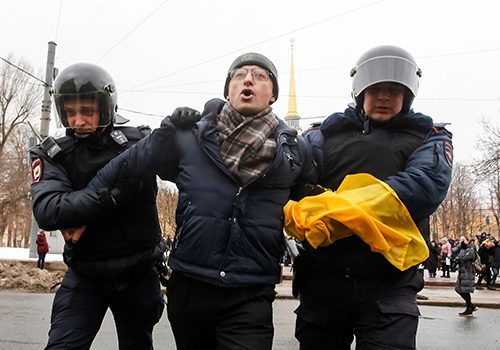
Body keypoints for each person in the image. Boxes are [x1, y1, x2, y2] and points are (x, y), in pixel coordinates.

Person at [87, 52, 314, 350]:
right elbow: (126, 167)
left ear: (272, 95)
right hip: (190, 286)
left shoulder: (295, 151)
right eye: (239, 74)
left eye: (260, 76)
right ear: (227, 90)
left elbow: (314, 207)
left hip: (251, 289)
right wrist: (80, 211)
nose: (248, 80)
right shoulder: (190, 137)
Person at [284, 45, 453, 350]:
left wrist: (330, 209)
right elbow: (296, 185)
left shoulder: (429, 136)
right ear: (360, 93)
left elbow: (422, 187)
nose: (383, 97)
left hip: (389, 284)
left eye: (392, 90)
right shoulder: (321, 135)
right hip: (324, 282)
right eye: (375, 90)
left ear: (408, 95)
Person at [29, 63, 166, 349]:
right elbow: (50, 209)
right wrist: (114, 195)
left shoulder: (137, 141)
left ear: (106, 107)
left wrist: (180, 128)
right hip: (86, 274)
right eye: (70, 112)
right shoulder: (53, 153)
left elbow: (185, 168)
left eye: (87, 111)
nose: (78, 121)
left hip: (138, 274)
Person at [454, 235, 478, 316]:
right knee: (458, 289)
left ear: (467, 240)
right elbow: (455, 252)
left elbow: (464, 257)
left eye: (463, 240)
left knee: (465, 290)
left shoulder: (470, 248)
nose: (461, 241)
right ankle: (471, 306)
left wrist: (462, 249)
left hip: (468, 272)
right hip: (462, 272)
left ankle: (469, 308)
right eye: (460, 240)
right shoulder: (462, 248)